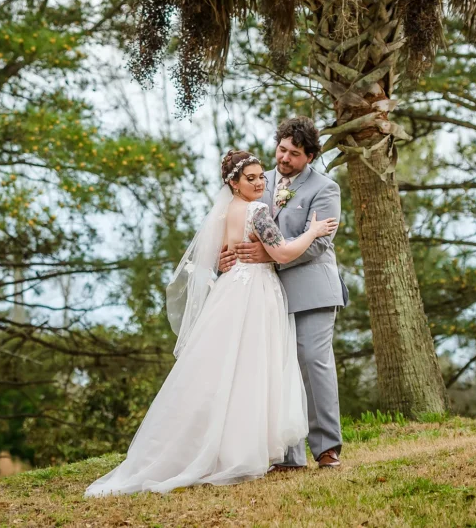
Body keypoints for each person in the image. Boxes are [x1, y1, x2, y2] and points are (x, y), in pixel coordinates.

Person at [85, 150, 338, 496]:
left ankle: (227, 447)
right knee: (253, 371)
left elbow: (222, 255)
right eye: (250, 178)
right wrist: (314, 231)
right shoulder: (257, 209)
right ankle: (241, 451)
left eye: (261, 177)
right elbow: (281, 254)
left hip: (230, 290)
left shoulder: (223, 212)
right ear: (232, 183)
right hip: (257, 292)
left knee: (226, 371)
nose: (260, 182)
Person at [219, 117, 345, 471]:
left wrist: (270, 256)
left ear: (310, 156)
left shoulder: (325, 188)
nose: (284, 158)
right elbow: (239, 226)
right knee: (274, 365)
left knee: (311, 361)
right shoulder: (259, 179)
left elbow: (319, 243)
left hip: (311, 288)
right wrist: (229, 253)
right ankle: (286, 451)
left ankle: (325, 447)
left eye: (293, 154)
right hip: (265, 291)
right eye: (281, 149)